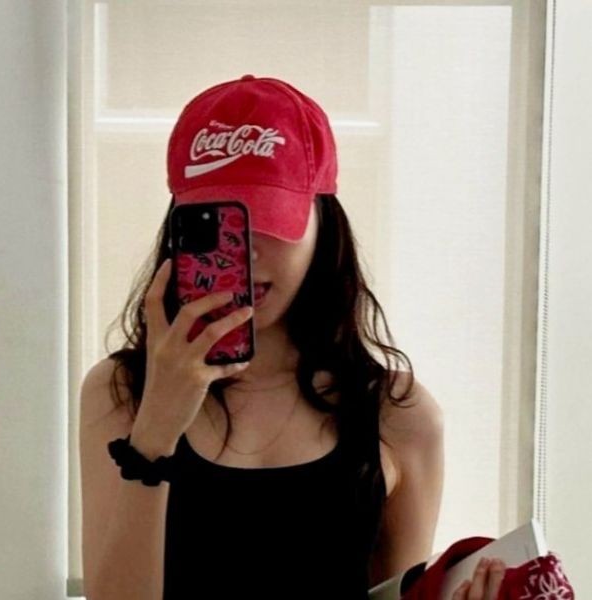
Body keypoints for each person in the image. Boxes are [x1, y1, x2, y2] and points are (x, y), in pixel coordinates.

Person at [79, 74, 506, 599]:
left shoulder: (400, 414)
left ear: (323, 223)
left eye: (268, 220)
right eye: (222, 230)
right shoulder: (121, 392)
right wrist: (155, 432)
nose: (247, 252)